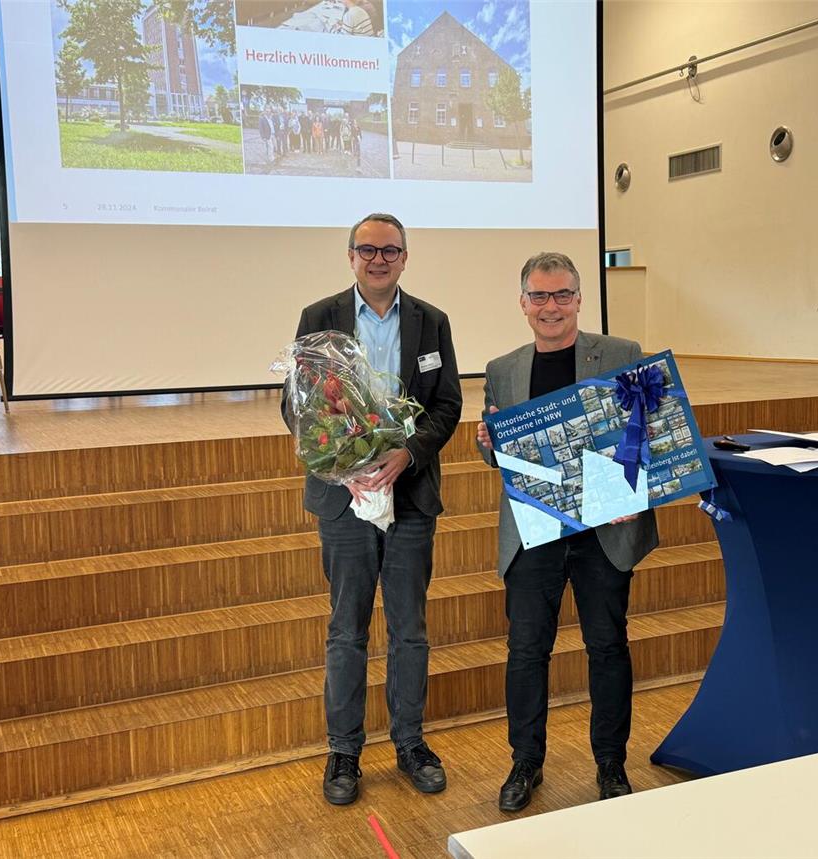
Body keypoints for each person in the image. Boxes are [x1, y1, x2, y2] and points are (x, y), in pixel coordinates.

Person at [281, 213, 463, 806]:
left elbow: (449, 405)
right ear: (351, 256)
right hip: (344, 498)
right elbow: (298, 406)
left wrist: (407, 454)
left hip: (409, 497)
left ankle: (410, 744)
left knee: (409, 631)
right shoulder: (319, 318)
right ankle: (345, 752)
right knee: (346, 630)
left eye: (390, 250)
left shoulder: (431, 321)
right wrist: (342, 460)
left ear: (405, 257)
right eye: (367, 250)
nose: (378, 259)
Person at [475, 252, 658, 812]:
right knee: (527, 651)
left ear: (579, 299)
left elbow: (653, 429)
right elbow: (502, 456)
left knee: (607, 647)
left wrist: (635, 489)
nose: (550, 307)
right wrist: (488, 447)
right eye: (539, 296)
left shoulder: (622, 354)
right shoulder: (502, 368)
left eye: (561, 295)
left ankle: (611, 765)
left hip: (604, 527)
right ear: (523, 302)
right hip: (536, 527)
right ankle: (524, 763)